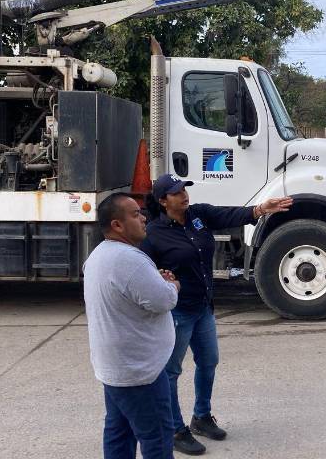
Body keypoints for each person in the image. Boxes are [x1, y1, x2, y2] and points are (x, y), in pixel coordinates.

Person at [141, 173, 293, 455]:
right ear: (163, 201)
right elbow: (142, 269)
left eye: (184, 189)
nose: (184, 195)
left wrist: (260, 209)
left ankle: (201, 417)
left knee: (208, 362)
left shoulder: (198, 215)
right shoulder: (153, 233)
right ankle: (175, 429)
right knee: (171, 372)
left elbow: (229, 215)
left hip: (203, 308)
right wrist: (158, 277)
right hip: (177, 314)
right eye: (176, 192)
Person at [83, 192, 181, 458]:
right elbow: (163, 300)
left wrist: (156, 281)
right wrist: (172, 285)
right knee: (157, 438)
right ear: (117, 225)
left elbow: (134, 292)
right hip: (140, 373)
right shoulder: (130, 260)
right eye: (135, 214)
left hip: (116, 369)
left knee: (119, 433)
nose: (144, 218)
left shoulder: (99, 255)